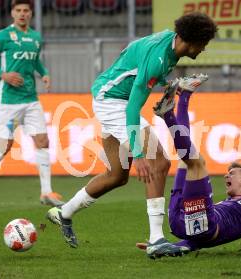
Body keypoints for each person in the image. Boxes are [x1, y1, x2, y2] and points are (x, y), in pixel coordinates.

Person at [46, 12, 218, 258]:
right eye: (203, 44)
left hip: (109, 95)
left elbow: (133, 56)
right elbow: (133, 107)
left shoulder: (168, 45)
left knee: (116, 175)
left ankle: (64, 213)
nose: (203, 49)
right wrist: (138, 153)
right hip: (114, 102)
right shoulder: (160, 58)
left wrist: (171, 87)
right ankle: (156, 239)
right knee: (157, 161)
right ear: (189, 40)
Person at [135, 77, 241, 258]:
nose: (227, 176)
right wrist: (165, 247)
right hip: (181, 222)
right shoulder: (225, 204)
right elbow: (198, 239)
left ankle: (170, 114)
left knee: (196, 162)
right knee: (187, 158)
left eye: (232, 173)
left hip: (201, 226)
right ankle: (183, 97)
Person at [0, 0, 64, 208]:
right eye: (18, 10)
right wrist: (3, 75)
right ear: (12, 13)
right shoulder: (3, 36)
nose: (22, 14)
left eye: (26, 10)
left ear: (31, 14)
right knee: (4, 146)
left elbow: (35, 61)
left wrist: (44, 74)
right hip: (8, 101)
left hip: (31, 99)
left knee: (43, 141)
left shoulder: (35, 37)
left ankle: (46, 192)